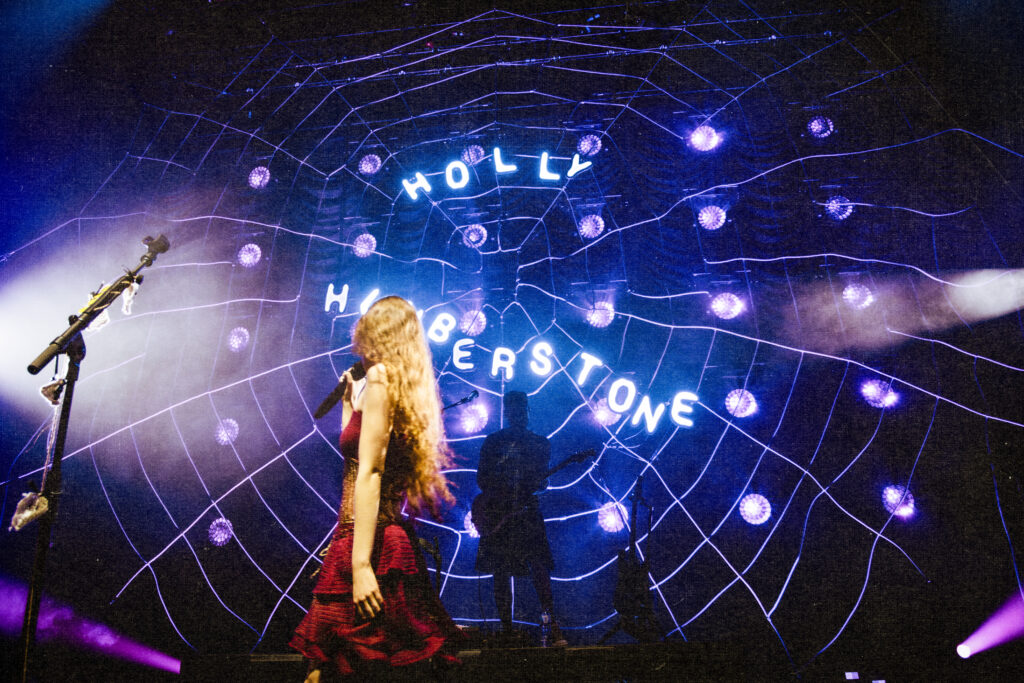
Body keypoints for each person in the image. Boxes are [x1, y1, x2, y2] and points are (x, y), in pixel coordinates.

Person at [291, 296, 463, 681]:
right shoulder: (384, 383)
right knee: (336, 666)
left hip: (374, 544)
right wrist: (349, 401)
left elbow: (370, 472)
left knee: (349, 664)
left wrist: (361, 564)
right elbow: (355, 456)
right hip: (359, 536)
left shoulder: (383, 378)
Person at [474, 391, 568, 646]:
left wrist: (536, 484)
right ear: (507, 412)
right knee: (503, 569)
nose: (519, 415)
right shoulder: (495, 442)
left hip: (524, 511)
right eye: (515, 410)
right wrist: (499, 497)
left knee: (537, 566)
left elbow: (540, 482)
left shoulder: (537, 443)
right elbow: (482, 479)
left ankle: (549, 625)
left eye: (522, 409)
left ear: (527, 411)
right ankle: (509, 628)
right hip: (501, 513)